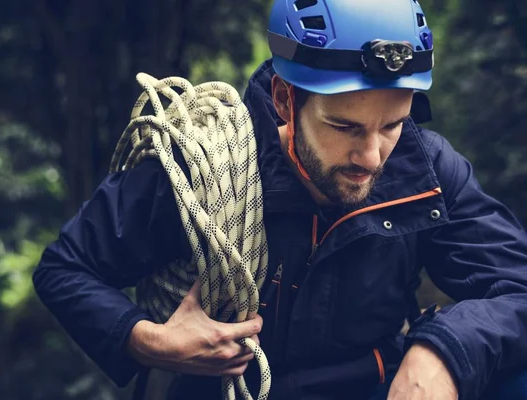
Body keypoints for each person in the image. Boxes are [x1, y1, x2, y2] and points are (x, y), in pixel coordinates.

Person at [32, 0, 527, 399]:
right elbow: (65, 268)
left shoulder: (427, 170)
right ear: (286, 99)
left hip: (376, 385)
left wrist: (442, 351)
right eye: (345, 126)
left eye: (392, 125)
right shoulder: (207, 165)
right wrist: (148, 341)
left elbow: (517, 288)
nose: (373, 156)